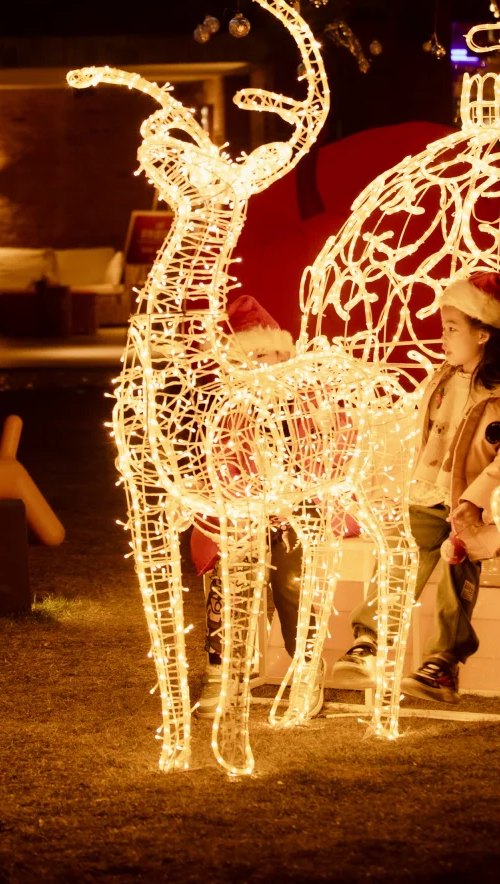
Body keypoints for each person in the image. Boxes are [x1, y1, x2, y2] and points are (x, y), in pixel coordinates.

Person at [331, 270, 500, 703]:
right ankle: (370, 643)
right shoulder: (444, 379)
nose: (443, 338)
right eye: (443, 328)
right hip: (432, 495)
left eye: (452, 329)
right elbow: (433, 437)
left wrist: (475, 503)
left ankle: (443, 663)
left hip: (488, 507)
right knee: (405, 551)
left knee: (459, 556)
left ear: (483, 334)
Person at [191, 295, 332, 719]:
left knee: (291, 576)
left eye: (271, 354)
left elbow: (324, 458)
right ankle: (223, 671)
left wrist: (291, 499)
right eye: (254, 356)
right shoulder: (228, 411)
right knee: (235, 567)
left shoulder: (307, 405)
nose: (265, 364)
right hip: (242, 513)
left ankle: (306, 667)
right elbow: (218, 467)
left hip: (297, 511)